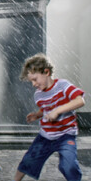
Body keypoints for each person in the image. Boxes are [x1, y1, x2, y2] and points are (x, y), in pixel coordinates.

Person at [13, 53, 85, 181]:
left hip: (66, 135)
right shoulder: (38, 95)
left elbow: (79, 101)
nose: (33, 84)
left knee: (68, 165)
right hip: (45, 136)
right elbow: (46, 108)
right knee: (28, 161)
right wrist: (36, 115)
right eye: (31, 81)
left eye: (35, 79)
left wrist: (58, 111)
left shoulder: (63, 85)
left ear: (46, 72)